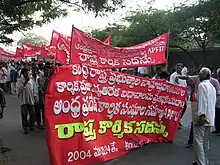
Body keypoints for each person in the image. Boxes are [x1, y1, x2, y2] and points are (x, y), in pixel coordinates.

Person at [192, 67, 216, 165]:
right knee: (205, 142)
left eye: (199, 74)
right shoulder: (211, 86)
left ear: (201, 76)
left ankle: (202, 162)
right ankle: (205, 161)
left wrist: (200, 116)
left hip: (203, 117)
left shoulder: (202, 86)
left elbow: (202, 102)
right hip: (210, 117)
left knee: (199, 141)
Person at [17, 68, 38, 134]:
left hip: (30, 100)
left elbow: (35, 89)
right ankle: (25, 128)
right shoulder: (19, 81)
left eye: (28, 73)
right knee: (24, 114)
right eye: (25, 73)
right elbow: (18, 90)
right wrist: (25, 82)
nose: (27, 74)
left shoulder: (31, 81)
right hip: (23, 100)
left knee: (33, 113)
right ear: (23, 74)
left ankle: (31, 125)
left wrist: (35, 96)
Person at [169, 63, 187, 128]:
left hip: (183, 95)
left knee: (184, 108)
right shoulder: (173, 76)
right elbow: (171, 85)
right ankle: (176, 122)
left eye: (180, 66)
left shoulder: (183, 75)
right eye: (177, 66)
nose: (179, 67)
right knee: (177, 109)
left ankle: (178, 120)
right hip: (176, 95)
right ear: (175, 67)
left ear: (182, 68)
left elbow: (185, 85)